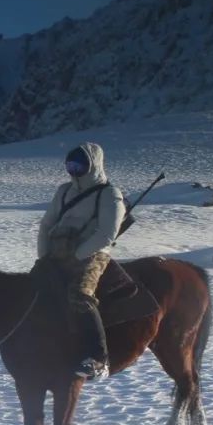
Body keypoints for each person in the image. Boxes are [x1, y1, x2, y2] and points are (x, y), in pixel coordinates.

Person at [37, 143, 126, 381]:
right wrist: (44, 257)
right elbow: (47, 225)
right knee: (33, 287)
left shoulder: (109, 194)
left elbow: (107, 233)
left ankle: (99, 359)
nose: (74, 171)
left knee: (80, 294)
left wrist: (76, 256)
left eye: (79, 166)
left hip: (92, 254)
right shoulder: (64, 191)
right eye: (70, 166)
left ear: (93, 165)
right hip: (56, 252)